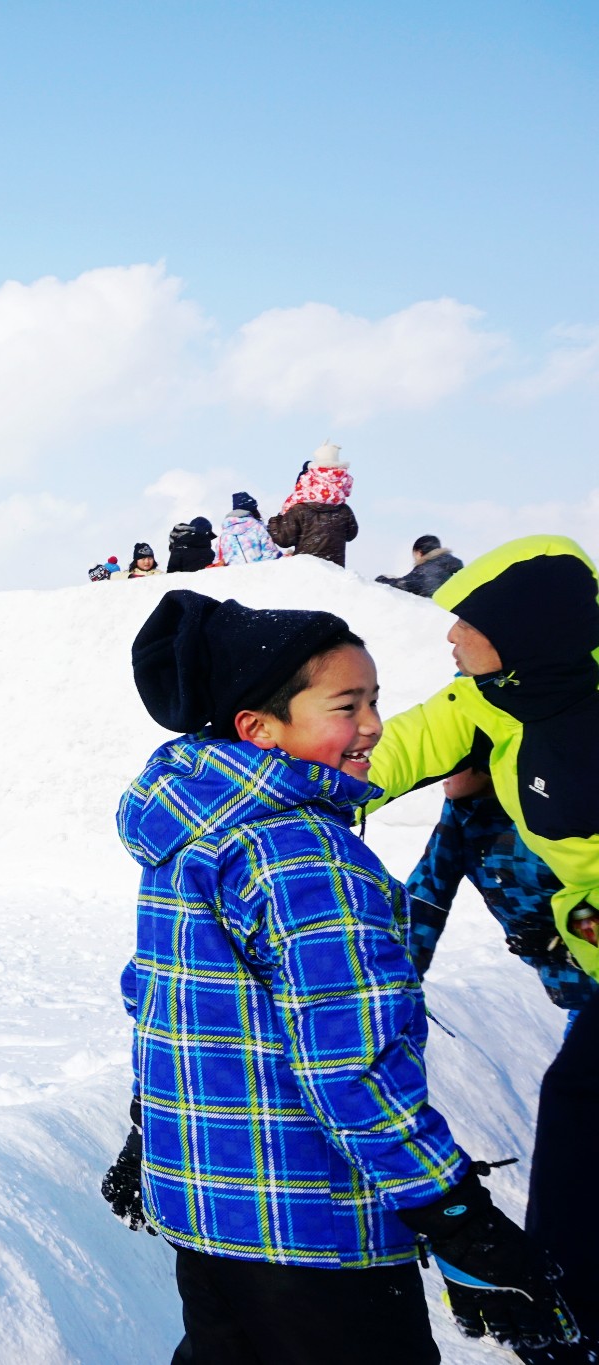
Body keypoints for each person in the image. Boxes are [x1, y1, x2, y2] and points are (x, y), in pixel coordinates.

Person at [102, 588, 576, 1361]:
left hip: (206, 1212)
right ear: (261, 728)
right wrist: (457, 1215)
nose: (374, 728)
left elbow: (164, 1002)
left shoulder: (192, 835)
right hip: (312, 1227)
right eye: (346, 706)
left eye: (376, 701)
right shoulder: (304, 855)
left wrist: (147, 1127)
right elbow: (350, 1064)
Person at [366, 535, 599, 1360]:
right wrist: (301, 786)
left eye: (466, 620)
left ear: (526, 628)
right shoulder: (489, 697)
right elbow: (390, 751)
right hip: (589, 973)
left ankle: (564, 1314)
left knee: (580, 1110)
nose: (450, 636)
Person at [406, 763, 597, 1020]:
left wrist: (557, 939)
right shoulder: (462, 813)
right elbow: (425, 898)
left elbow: (587, 886)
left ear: (484, 764)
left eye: (453, 765)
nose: (439, 774)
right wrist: (400, 982)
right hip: (574, 992)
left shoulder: (550, 804)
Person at [269, 442, 358, 567]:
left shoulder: (299, 509)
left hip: (307, 572)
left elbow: (283, 539)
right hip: (336, 573)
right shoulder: (344, 510)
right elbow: (351, 534)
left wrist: (276, 520)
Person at [377, 535, 465, 598]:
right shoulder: (451, 565)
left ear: (419, 553)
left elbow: (407, 585)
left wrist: (383, 579)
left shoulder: (427, 569)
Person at [212, 492, 284, 566]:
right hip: (260, 574)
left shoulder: (224, 535)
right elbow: (271, 555)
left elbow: (218, 562)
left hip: (234, 576)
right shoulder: (257, 527)